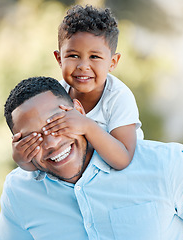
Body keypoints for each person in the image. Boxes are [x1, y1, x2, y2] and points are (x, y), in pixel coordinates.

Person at [0, 76, 183, 240]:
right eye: (32, 140)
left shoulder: (167, 167)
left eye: (57, 124)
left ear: (79, 111)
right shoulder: (19, 193)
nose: (52, 144)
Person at [11, 5, 144, 171]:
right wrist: (22, 160)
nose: (83, 66)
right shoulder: (54, 96)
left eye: (94, 57)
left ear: (112, 62)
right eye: (73, 56)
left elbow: (123, 160)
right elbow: (44, 159)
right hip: (79, 172)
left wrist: (87, 126)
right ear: (59, 59)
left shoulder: (118, 97)